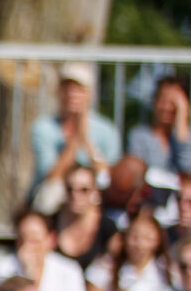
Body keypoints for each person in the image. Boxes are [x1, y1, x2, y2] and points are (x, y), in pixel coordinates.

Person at [29, 62, 120, 203]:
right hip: (55, 199)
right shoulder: (43, 127)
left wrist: (87, 144)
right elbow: (51, 177)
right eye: (66, 88)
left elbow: (107, 177)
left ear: (90, 94)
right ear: (58, 92)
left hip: (93, 199)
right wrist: (74, 142)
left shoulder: (106, 129)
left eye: (78, 89)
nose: (72, 94)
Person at [126, 74, 191, 177]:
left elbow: (186, 167)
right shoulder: (139, 135)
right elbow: (136, 176)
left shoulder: (187, 138)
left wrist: (182, 123)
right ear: (154, 101)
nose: (166, 107)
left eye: (173, 102)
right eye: (163, 100)